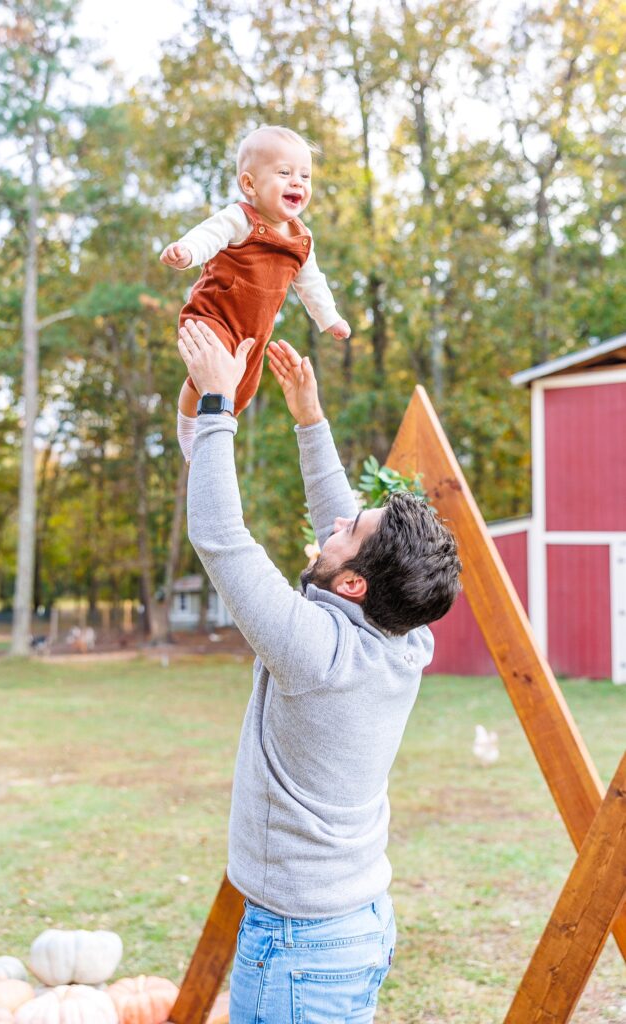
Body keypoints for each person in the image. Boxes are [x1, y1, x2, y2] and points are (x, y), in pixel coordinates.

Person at [177, 318, 462, 1024]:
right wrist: (310, 420)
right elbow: (347, 527)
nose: (330, 527)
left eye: (347, 533)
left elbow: (219, 537)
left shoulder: (316, 653)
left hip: (300, 947)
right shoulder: (403, 638)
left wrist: (216, 406)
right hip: (352, 924)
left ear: (353, 586)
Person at [160, 125, 351, 461]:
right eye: (284, 173)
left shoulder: (301, 240)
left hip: (254, 335)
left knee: (239, 392)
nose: (297, 183)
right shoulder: (241, 219)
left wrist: (329, 318)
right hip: (213, 315)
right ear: (250, 184)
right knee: (210, 370)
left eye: (305, 176)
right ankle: (188, 423)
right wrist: (187, 252)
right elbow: (208, 235)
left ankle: (215, 443)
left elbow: (312, 284)